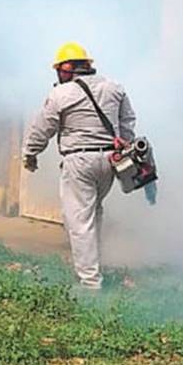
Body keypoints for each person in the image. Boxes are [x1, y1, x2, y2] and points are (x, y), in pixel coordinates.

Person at [22, 42, 136, 290]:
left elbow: (42, 128)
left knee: (79, 221)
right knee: (93, 215)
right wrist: (122, 142)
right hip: (110, 161)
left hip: (79, 161)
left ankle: (90, 283)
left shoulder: (61, 94)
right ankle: (95, 268)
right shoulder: (114, 87)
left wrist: (30, 154)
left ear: (66, 69)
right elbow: (127, 121)